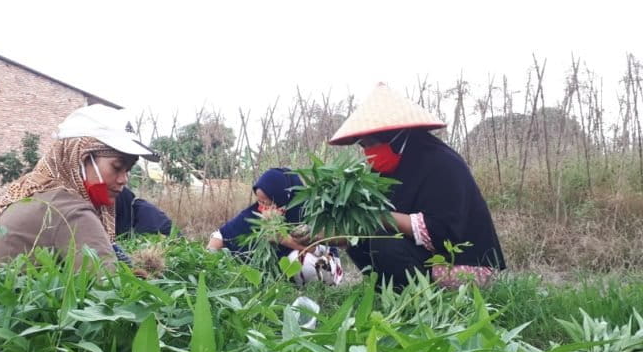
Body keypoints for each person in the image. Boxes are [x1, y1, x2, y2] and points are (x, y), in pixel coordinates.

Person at [328, 83, 505, 290]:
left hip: (463, 265)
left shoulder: (442, 163)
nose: (369, 152)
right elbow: (364, 226)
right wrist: (328, 236)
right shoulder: (387, 170)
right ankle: (386, 294)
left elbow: (442, 231)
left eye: (372, 143)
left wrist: (378, 217)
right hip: (424, 257)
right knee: (360, 241)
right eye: (364, 146)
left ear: (397, 138)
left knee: (383, 241)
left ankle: (416, 300)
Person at [0, 104, 159, 271]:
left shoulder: (33, 191)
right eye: (117, 167)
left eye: (128, 170)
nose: (123, 179)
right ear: (80, 159)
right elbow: (110, 289)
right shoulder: (70, 210)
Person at [207, 167, 343, 285]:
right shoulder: (257, 212)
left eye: (267, 202)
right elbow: (220, 235)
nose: (263, 207)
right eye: (259, 201)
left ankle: (316, 290)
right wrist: (208, 261)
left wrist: (282, 238)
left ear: (281, 198)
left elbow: (319, 250)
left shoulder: (305, 211)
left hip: (325, 264)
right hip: (287, 273)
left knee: (300, 261)